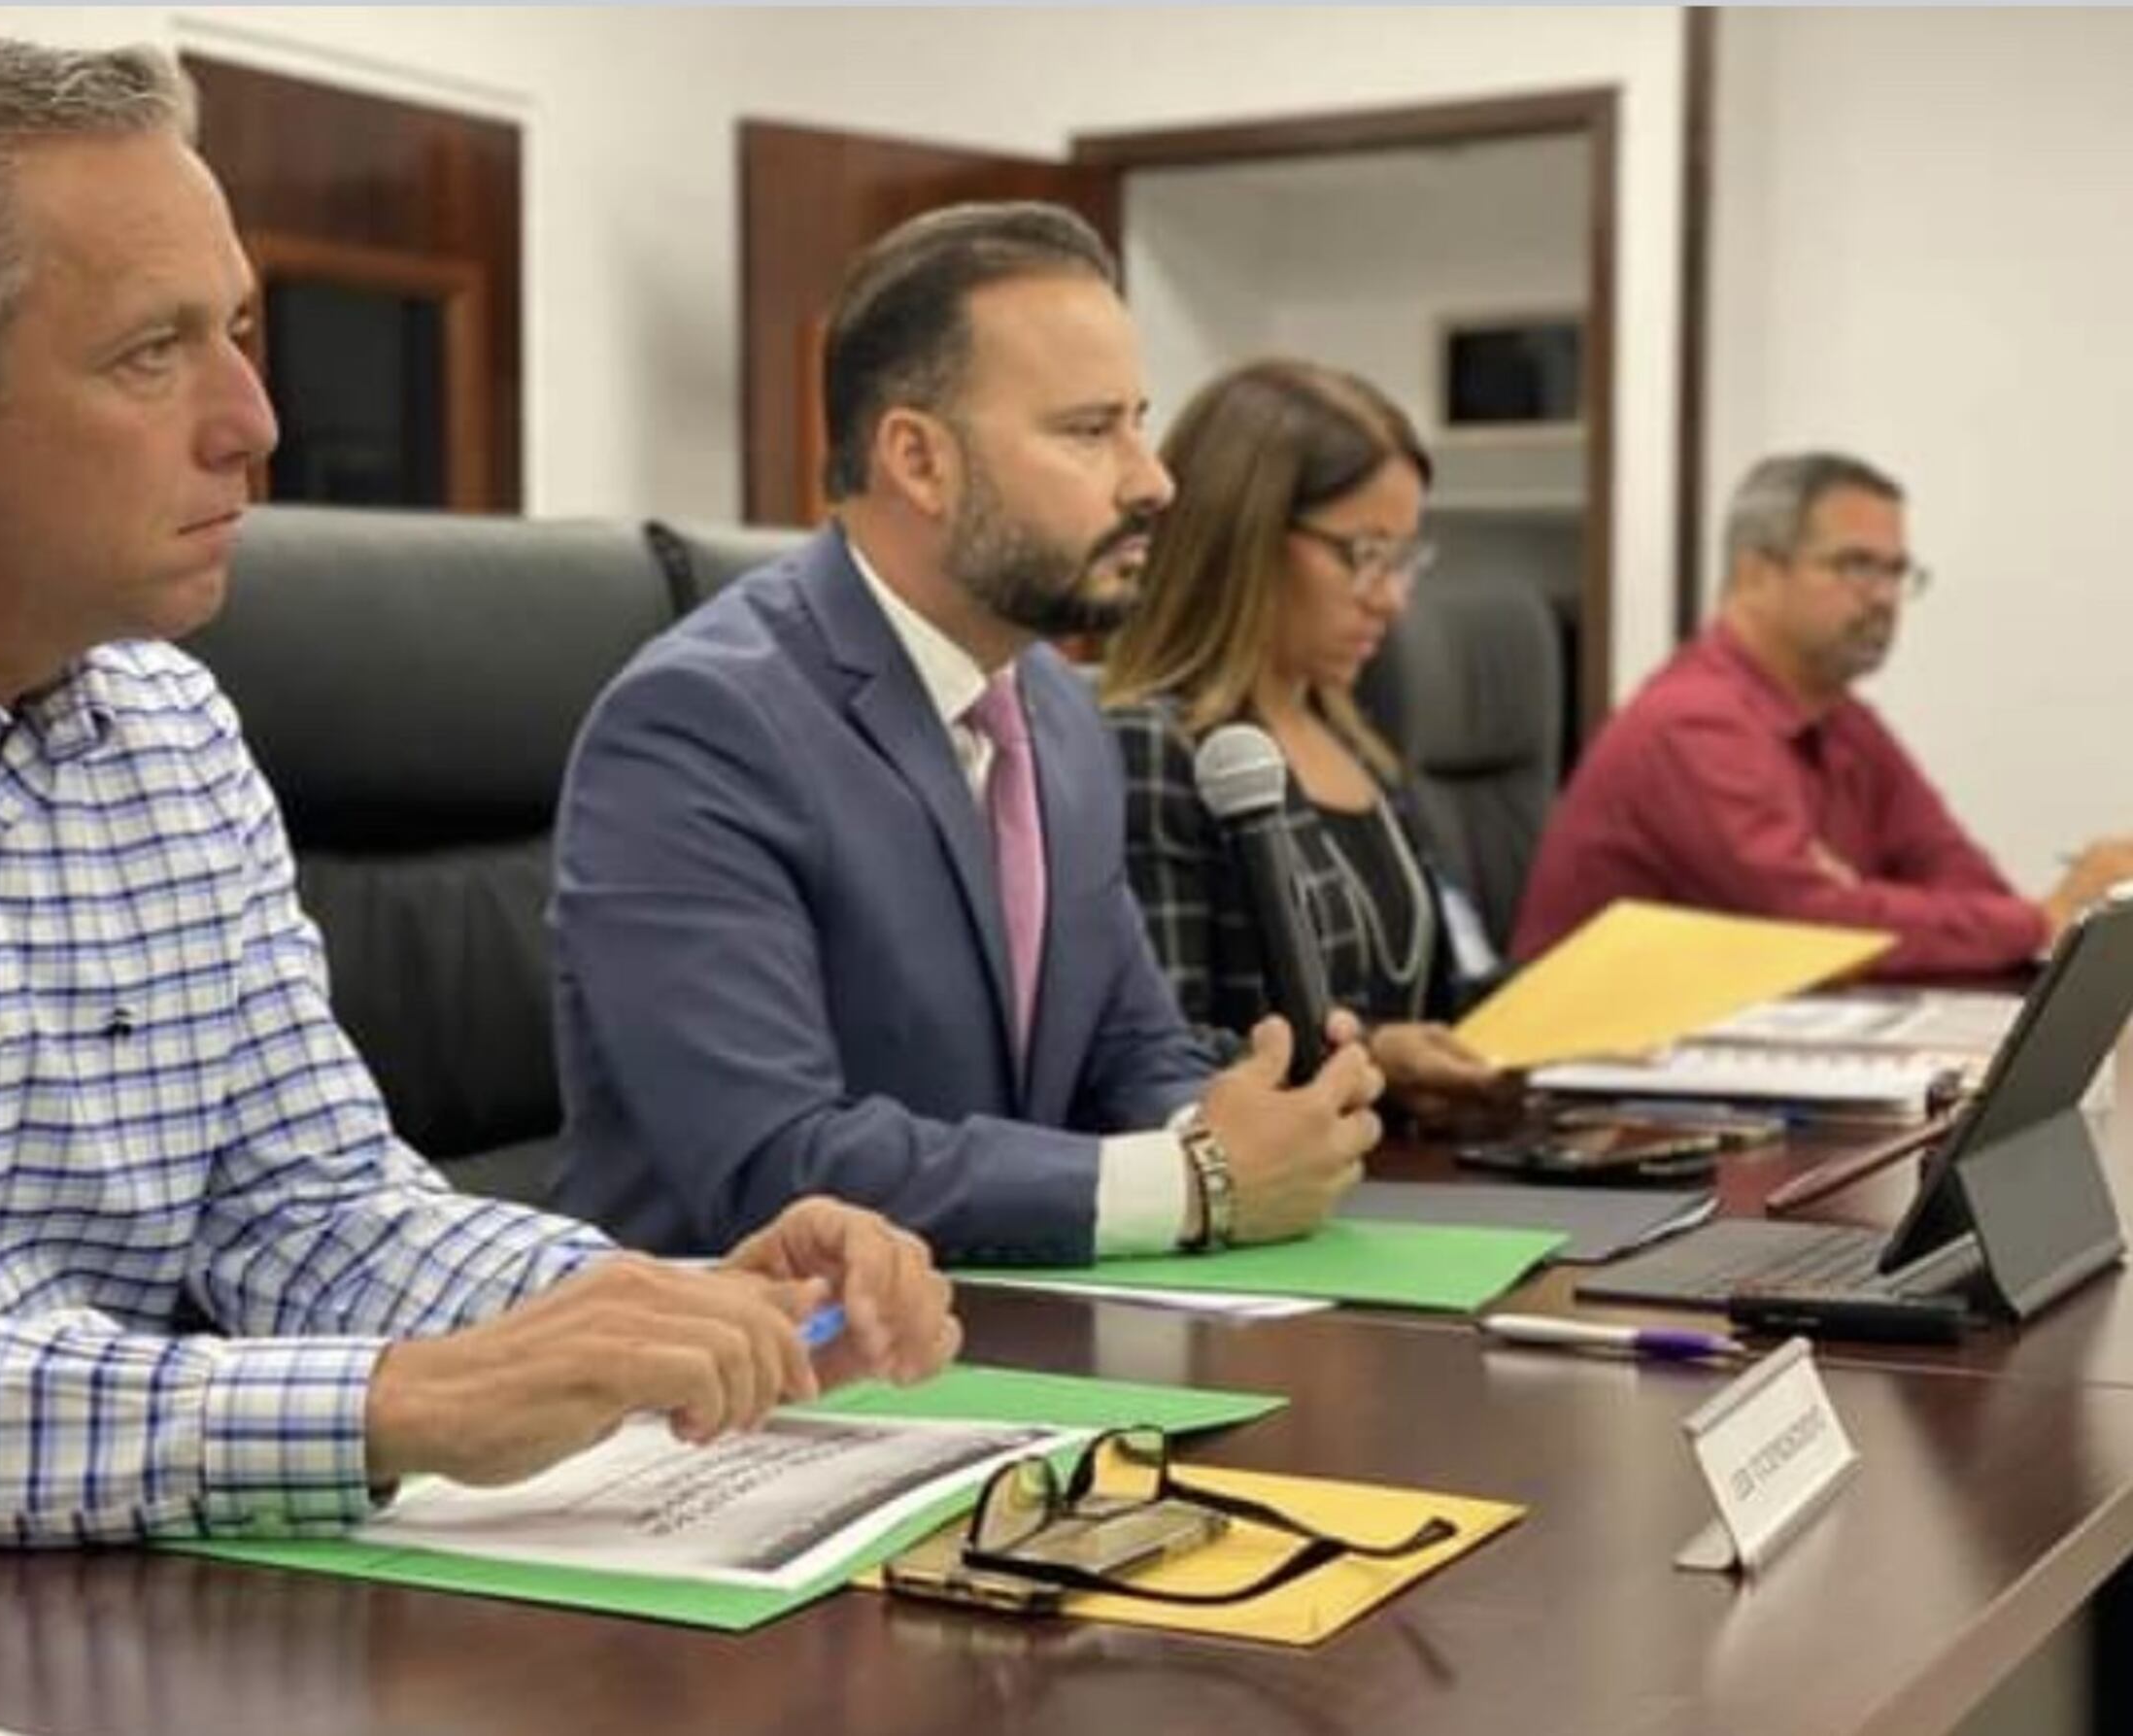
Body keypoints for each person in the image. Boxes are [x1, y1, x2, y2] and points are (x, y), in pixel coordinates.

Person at [0, 33, 954, 1583]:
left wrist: (647, 1305)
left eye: (241, 333)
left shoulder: (167, 722)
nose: (256, 420)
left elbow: (306, 1207)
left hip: (88, 1610)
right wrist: (394, 1401)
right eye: (154, 352)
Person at [551, 202, 1384, 1266]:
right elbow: (770, 1162)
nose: (1154, 479)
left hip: (1002, 1332)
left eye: (1140, 419)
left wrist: (1246, 1125)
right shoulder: (696, 726)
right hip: (740, 1380)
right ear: (919, 459)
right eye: (1091, 431)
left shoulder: (1055, 706)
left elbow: (1126, 1048)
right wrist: (1197, 1180)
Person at [1513, 451, 2133, 975]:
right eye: (1857, 566)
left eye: (1896, 571)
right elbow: (1813, 926)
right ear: (1755, 572)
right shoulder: (1692, 722)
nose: (1886, 596)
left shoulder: (1844, 720)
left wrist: (2027, 922)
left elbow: (1956, 874)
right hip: (1592, 1089)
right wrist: (2038, 920)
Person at [1099, 359, 1512, 1125]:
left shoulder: (1358, 739)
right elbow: (1155, 1056)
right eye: (1363, 554)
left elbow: (1450, 983)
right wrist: (1374, 1058)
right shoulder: (1151, 747)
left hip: (1420, 1177)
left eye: (1404, 558)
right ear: (1244, 538)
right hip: (1278, 1205)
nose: (1391, 598)